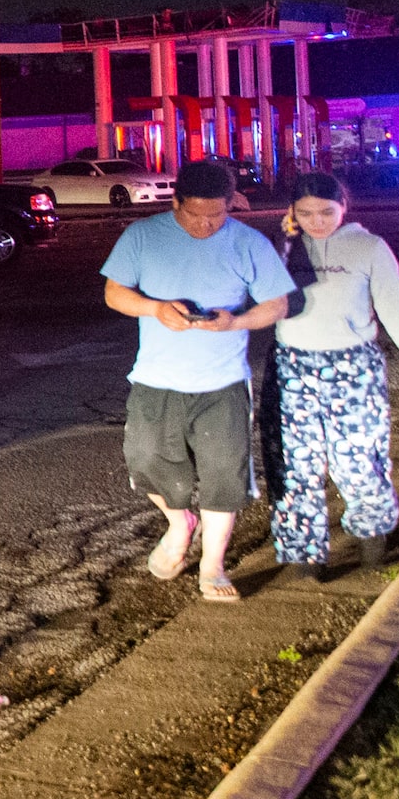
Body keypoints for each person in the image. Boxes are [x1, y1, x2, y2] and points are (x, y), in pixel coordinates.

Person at [100, 160, 295, 600]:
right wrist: (156, 308)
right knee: (146, 461)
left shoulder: (248, 243)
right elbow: (114, 293)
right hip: (156, 379)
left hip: (222, 383)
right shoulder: (143, 236)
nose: (206, 225)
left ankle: (213, 566)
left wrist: (236, 321)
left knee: (224, 475)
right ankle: (180, 523)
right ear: (175, 202)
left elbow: (277, 305)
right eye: (194, 215)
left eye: (217, 215)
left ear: (232, 205)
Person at [269, 170, 399, 581]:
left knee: (359, 457)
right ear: (292, 212)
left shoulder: (369, 247)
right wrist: (284, 243)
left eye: (327, 212)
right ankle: (303, 554)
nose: (318, 221)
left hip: (353, 365)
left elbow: (396, 307)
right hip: (294, 366)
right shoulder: (284, 248)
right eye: (306, 213)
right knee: (296, 464)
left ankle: (372, 539)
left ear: (344, 205)